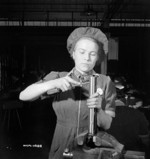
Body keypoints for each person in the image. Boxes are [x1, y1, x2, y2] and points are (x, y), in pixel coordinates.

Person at [19, 27, 117, 159]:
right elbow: (24, 96)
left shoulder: (105, 82)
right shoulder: (58, 76)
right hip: (62, 141)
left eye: (92, 54)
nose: (87, 58)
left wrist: (99, 109)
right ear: (73, 53)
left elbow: (107, 124)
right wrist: (54, 83)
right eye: (82, 52)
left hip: (91, 145)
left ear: (97, 57)